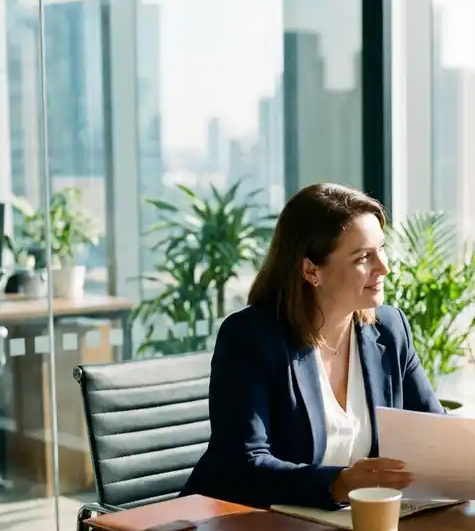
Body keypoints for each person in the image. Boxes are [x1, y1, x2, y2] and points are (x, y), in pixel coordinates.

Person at [182, 182, 445, 512]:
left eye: (382, 248)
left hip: (341, 529)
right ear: (311, 270)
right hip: (250, 528)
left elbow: (436, 435)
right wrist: (340, 483)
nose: (384, 267)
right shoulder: (250, 337)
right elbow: (243, 466)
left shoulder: (389, 329)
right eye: (363, 257)